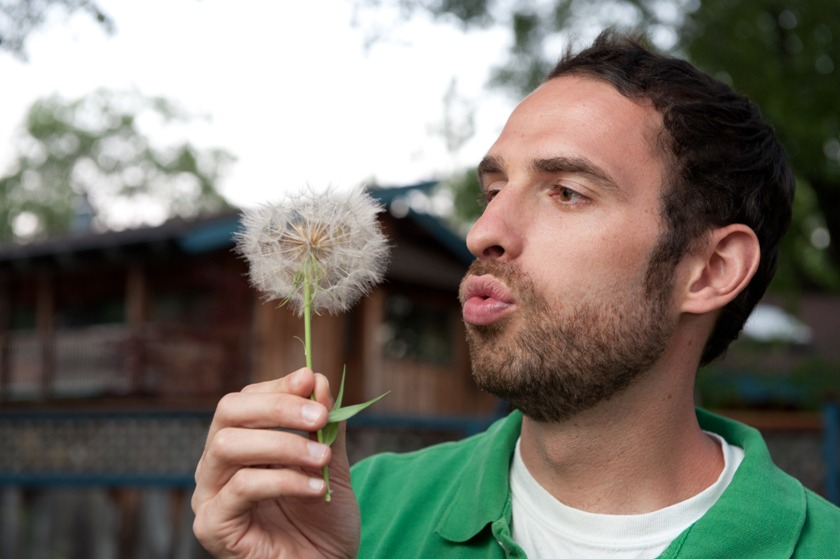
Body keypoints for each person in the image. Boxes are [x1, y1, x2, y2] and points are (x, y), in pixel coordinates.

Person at [191, 30, 840, 558]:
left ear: (709, 270)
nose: (483, 231)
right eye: (493, 189)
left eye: (566, 192)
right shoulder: (355, 510)